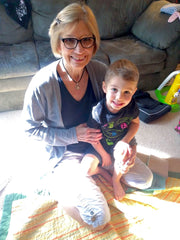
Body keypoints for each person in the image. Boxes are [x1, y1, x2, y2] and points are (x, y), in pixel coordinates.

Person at [22, 2, 153, 230]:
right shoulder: (42, 84)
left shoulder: (100, 71)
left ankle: (100, 171)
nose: (80, 50)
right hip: (68, 155)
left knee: (144, 180)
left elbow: (123, 115)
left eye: (86, 40)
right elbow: (30, 130)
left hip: (105, 145)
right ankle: (62, 188)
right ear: (58, 42)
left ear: (94, 41)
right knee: (99, 219)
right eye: (70, 40)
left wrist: (126, 147)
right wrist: (74, 134)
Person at [81, 59, 152, 200]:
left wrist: (126, 142)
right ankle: (103, 171)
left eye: (127, 92)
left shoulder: (132, 106)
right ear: (105, 87)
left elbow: (135, 124)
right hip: (100, 147)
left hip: (120, 146)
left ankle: (116, 178)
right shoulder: (98, 111)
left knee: (146, 181)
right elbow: (93, 138)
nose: (119, 98)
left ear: (134, 92)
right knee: (85, 169)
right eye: (114, 89)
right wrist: (105, 155)